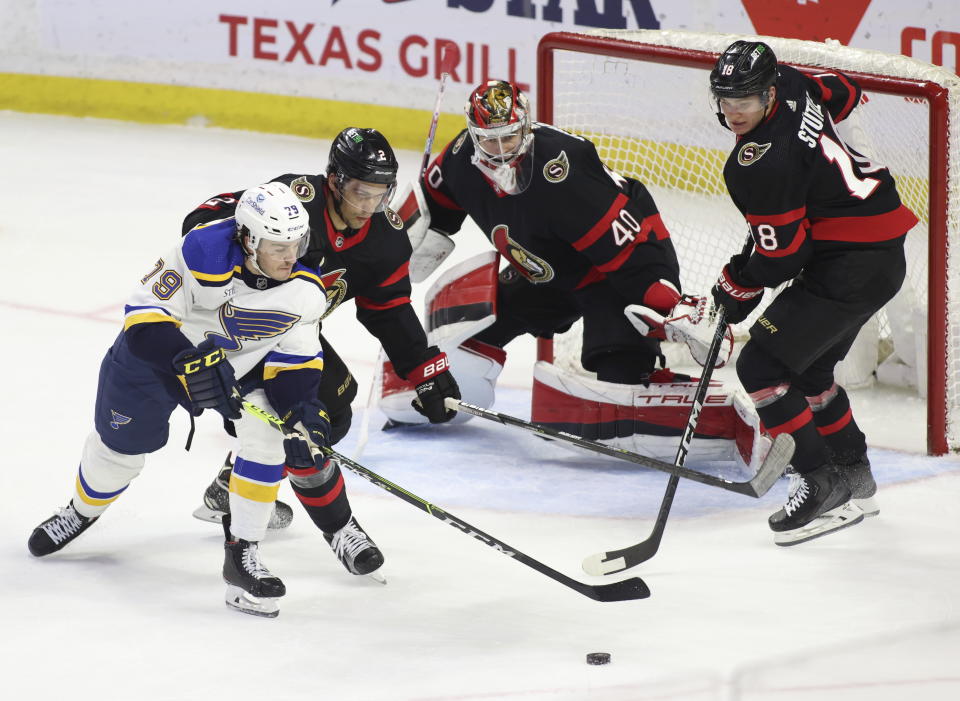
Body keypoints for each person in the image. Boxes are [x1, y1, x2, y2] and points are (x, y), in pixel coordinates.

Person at [27, 182, 361, 617]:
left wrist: (305, 412)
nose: (290, 256)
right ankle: (81, 510)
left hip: (237, 368)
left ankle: (242, 555)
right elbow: (144, 322)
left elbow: (294, 363)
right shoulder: (200, 250)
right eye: (278, 246)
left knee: (268, 438)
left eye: (296, 243)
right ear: (248, 238)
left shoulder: (305, 290)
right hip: (153, 365)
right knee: (119, 452)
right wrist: (189, 362)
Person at [386, 79, 733, 457]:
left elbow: (630, 252)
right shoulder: (459, 159)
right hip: (545, 272)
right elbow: (437, 200)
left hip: (610, 272)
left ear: (527, 126)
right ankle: (438, 394)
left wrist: (667, 304)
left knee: (622, 375)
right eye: (489, 139)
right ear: (473, 134)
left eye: (510, 137)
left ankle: (668, 402)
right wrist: (408, 235)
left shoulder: (564, 172)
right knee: (474, 330)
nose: (500, 151)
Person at [183, 128, 460, 552]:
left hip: (295, 333)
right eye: (359, 192)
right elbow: (205, 218)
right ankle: (272, 516)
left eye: (380, 193)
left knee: (334, 413)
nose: (369, 205)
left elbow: (386, 306)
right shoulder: (292, 203)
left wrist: (423, 367)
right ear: (333, 181)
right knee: (288, 418)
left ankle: (231, 482)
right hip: (237, 327)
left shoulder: (385, 239)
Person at [707, 41, 919, 545]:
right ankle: (853, 476)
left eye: (747, 100)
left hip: (847, 265)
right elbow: (845, 93)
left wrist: (737, 281)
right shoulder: (798, 85)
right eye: (726, 99)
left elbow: (783, 258)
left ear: (769, 91)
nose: (735, 111)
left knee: (761, 367)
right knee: (809, 371)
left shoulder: (755, 165)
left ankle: (819, 482)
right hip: (882, 254)